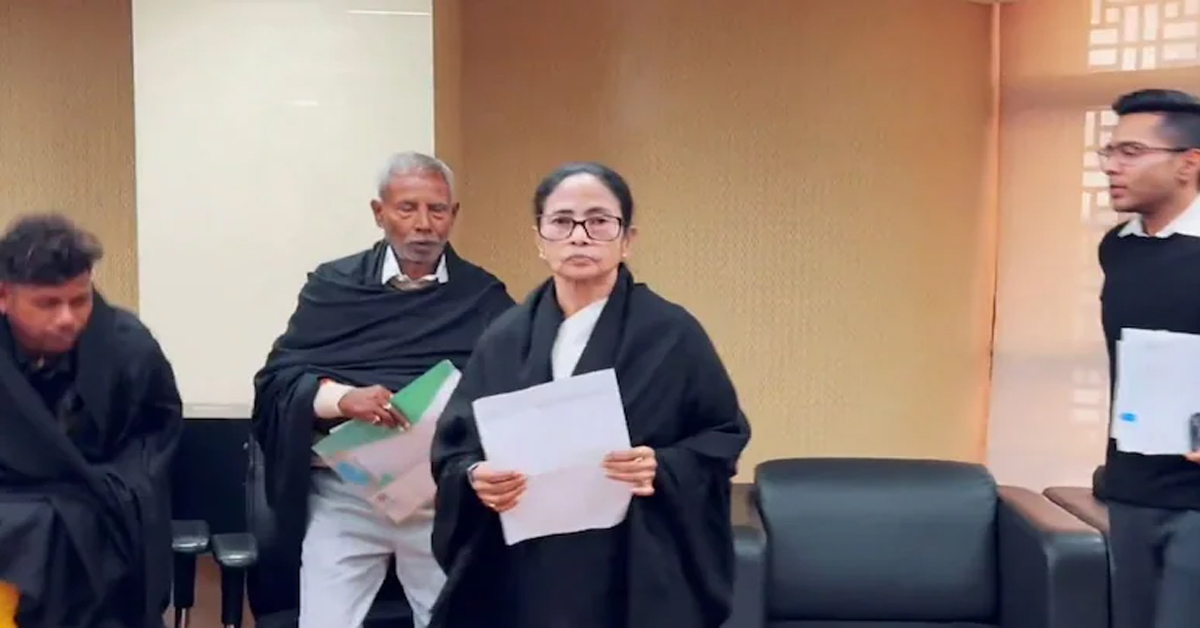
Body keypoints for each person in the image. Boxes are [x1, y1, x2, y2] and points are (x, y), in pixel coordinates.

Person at [429, 162, 752, 628]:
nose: (579, 236)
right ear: (540, 239)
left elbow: (722, 435)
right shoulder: (503, 338)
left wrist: (662, 466)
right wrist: (475, 477)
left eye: (599, 221)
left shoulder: (671, 334)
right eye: (561, 221)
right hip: (527, 568)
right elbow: (456, 448)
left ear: (627, 239)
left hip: (632, 564)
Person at [252, 151, 516, 628]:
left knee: (453, 618)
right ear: (379, 213)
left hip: (439, 499)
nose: (423, 225)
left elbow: (511, 388)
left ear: (454, 215)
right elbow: (277, 382)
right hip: (346, 493)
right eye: (407, 208)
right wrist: (342, 398)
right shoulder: (333, 286)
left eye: (437, 210)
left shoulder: (482, 296)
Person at [0, 214, 183, 627]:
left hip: (97, 499)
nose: (68, 317)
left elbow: (152, 441)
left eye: (79, 300)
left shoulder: (128, 346)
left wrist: (114, 489)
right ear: (4, 297)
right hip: (8, 502)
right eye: (48, 303)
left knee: (76, 528)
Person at [1097, 88, 1200, 628]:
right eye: (1109, 152)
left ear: (1189, 163)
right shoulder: (1119, 246)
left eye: (1131, 152)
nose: (1112, 166)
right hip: (1132, 489)